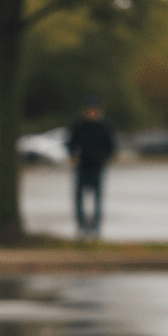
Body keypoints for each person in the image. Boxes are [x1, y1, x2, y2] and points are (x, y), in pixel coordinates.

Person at [67, 95, 116, 237]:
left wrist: (104, 159)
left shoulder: (105, 125)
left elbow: (111, 146)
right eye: (89, 110)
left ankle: (96, 227)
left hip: (97, 167)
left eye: (94, 110)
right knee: (79, 198)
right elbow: (71, 143)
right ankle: (82, 226)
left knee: (97, 199)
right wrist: (73, 156)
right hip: (82, 166)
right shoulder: (79, 124)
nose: (92, 113)